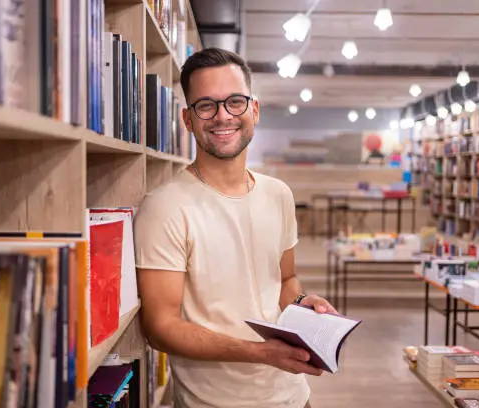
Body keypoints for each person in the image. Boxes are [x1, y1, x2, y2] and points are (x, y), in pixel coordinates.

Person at [133, 47, 337, 408]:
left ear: (254, 110)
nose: (223, 116)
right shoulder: (164, 207)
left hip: (293, 395)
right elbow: (160, 329)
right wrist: (258, 352)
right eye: (206, 105)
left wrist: (304, 305)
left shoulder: (279, 194)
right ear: (188, 119)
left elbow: (285, 282)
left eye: (235, 102)